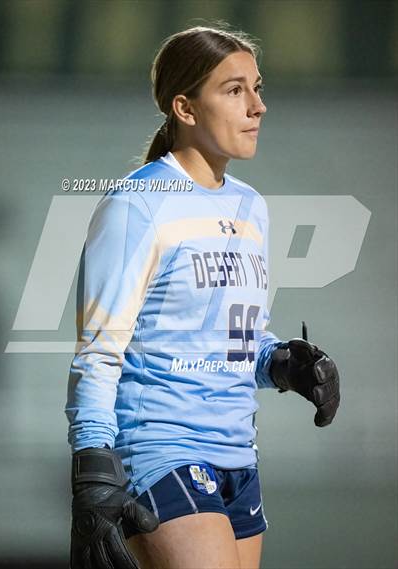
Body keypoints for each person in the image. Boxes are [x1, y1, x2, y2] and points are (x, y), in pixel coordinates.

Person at [65, 24, 340, 569]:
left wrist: (281, 363)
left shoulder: (250, 207)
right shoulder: (137, 205)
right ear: (185, 108)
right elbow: (99, 351)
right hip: (160, 450)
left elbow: (233, 341)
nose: (257, 106)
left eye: (257, 88)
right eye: (234, 90)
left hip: (238, 454)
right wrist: (91, 468)